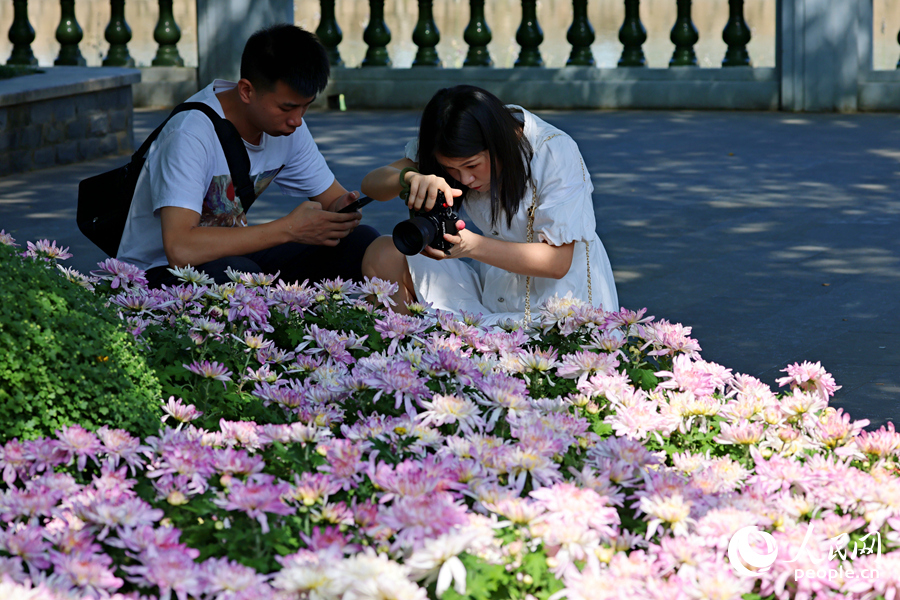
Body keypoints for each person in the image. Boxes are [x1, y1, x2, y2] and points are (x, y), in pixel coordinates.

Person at [116, 24, 378, 288]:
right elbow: (180, 249)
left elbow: (332, 198)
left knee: (362, 244)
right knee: (241, 277)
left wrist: (341, 210)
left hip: (231, 256)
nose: (297, 120)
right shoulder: (189, 134)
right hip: (156, 272)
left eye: (305, 106)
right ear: (246, 91)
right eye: (287, 107)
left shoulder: (289, 128)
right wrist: (289, 228)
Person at [361, 85, 618, 326]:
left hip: (562, 305)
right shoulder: (448, 145)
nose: (465, 179)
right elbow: (371, 184)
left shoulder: (553, 151)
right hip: (494, 290)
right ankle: (405, 353)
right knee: (384, 254)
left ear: (498, 142)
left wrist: (470, 245)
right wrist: (410, 177)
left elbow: (557, 263)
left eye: (473, 165)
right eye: (451, 169)